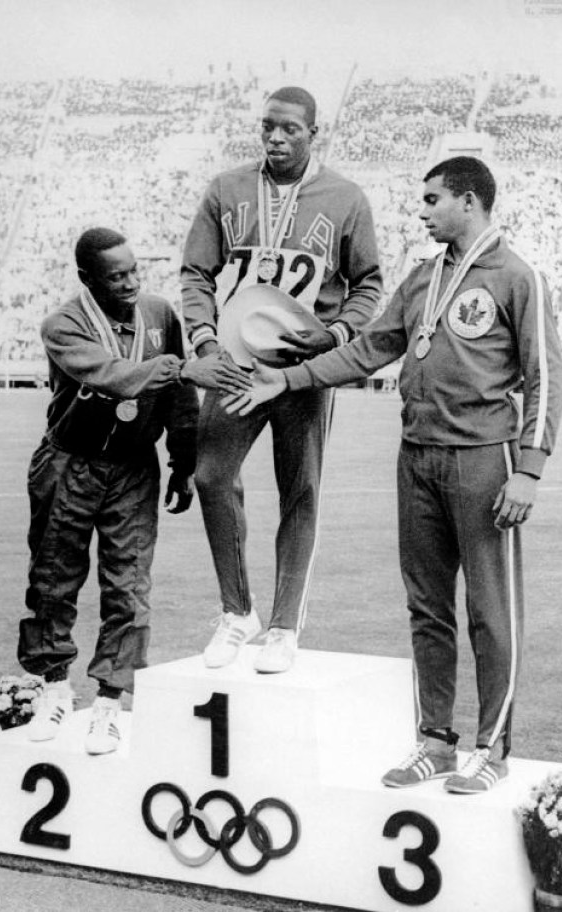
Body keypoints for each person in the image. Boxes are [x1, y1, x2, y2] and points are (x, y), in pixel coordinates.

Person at [222, 156, 562, 793]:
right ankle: (435, 740)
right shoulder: (421, 279)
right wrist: (289, 379)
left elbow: (547, 379)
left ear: (469, 201)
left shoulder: (519, 277)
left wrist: (530, 472)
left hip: (484, 459)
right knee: (426, 608)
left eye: (433, 199)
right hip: (416, 456)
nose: (423, 209)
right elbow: (368, 349)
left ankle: (492, 749)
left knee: (491, 612)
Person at [180, 85, 382, 674]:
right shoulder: (227, 188)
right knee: (211, 476)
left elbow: (368, 282)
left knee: (300, 490)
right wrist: (206, 340)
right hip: (237, 362)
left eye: (289, 128)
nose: (275, 136)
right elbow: (196, 272)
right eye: (268, 126)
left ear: (312, 133)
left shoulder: (345, 197)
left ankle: (284, 626)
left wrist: (337, 333)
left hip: (303, 368)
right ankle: (236, 611)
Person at [20, 227, 237, 755]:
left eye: (135, 270)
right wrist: (181, 367)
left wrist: (183, 462)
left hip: (134, 469)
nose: (131, 282)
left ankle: (109, 705)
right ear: (87, 279)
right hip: (70, 462)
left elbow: (181, 400)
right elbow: (115, 375)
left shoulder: (161, 315)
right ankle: (52, 688)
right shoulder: (63, 325)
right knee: (53, 582)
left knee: (129, 587)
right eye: (116, 276)